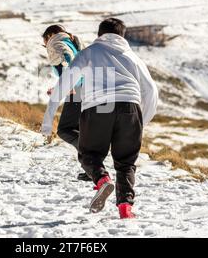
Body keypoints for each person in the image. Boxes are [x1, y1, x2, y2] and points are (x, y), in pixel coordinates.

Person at [41, 18, 158, 219]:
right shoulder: (133, 57)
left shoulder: (88, 53)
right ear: (122, 36)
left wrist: (47, 121)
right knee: (126, 163)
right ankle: (125, 209)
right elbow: (151, 91)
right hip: (130, 107)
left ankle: (102, 180)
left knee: (90, 154)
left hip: (97, 107)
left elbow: (65, 83)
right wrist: (141, 123)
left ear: (99, 35)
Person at [41, 24, 91, 181]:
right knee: (78, 129)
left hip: (76, 89)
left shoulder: (55, 43)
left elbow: (67, 60)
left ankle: (92, 159)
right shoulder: (73, 42)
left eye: (44, 42)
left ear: (50, 35)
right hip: (86, 87)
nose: (45, 46)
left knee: (65, 130)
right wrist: (58, 87)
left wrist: (68, 84)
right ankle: (91, 169)